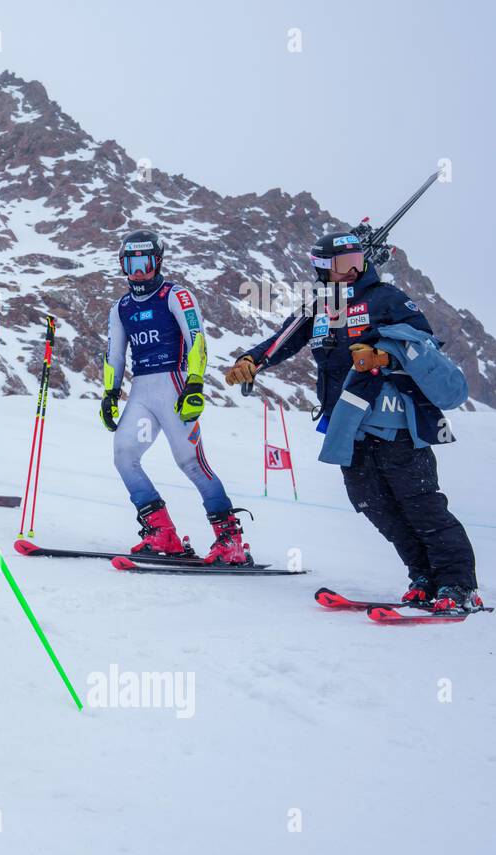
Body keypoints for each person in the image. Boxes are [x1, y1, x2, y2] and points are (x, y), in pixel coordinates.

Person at [225, 232, 481, 613]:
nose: (349, 272)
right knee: (373, 504)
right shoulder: (319, 307)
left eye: (354, 263)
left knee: (420, 504)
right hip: (347, 425)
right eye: (337, 266)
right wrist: (252, 360)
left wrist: (383, 357)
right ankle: (423, 576)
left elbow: (423, 344)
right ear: (321, 270)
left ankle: (458, 585)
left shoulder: (386, 298)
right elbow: (283, 340)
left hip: (392, 422)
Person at [101, 230, 251, 563]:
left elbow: (196, 339)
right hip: (141, 391)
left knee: (190, 463)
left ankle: (231, 542)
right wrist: (109, 392)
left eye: (146, 263)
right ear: (123, 265)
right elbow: (114, 353)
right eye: (131, 264)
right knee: (124, 456)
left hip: (175, 385)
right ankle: (162, 533)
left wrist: (195, 384)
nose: (139, 272)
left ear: (158, 262)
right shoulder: (121, 307)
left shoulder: (176, 295)